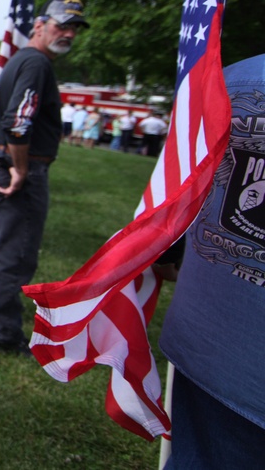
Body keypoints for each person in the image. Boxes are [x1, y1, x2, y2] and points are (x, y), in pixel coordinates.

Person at [158, 54, 265, 467]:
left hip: (202, 336)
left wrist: (167, 251)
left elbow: (177, 183)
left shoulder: (226, 78)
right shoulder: (221, 80)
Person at [0, 0, 88, 356]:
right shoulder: (36, 63)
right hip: (21, 164)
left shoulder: (24, 60)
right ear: (39, 26)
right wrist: (22, 170)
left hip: (5, 158)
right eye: (61, 24)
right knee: (16, 251)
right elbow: (18, 121)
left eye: (74, 27)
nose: (68, 33)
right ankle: (6, 333)